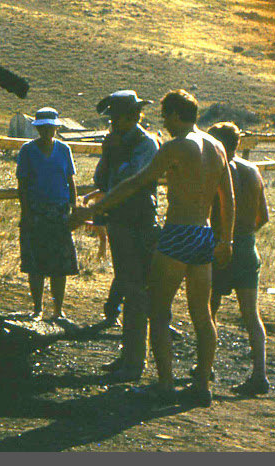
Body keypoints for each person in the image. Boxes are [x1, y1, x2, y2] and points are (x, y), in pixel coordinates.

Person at [72, 89, 234, 406]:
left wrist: (93, 211)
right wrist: (226, 239)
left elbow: (137, 182)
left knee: (158, 311)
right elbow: (227, 197)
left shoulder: (175, 146)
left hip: (177, 232)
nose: (164, 122)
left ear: (174, 115)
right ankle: (201, 384)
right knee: (202, 314)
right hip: (203, 233)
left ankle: (165, 384)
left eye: (165, 116)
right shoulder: (217, 147)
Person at [86, 90, 160, 383]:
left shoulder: (145, 144)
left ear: (132, 116)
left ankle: (134, 361)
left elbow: (132, 181)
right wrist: (108, 153)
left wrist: (114, 153)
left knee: (137, 291)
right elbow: (102, 180)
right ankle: (129, 357)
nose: (112, 122)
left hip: (139, 222)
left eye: (116, 117)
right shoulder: (117, 142)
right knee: (131, 289)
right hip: (120, 221)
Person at [207, 122, 271, 395]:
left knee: (208, 307)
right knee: (251, 314)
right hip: (247, 246)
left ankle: (205, 366)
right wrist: (244, 236)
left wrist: (224, 238)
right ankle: (260, 374)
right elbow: (264, 217)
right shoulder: (253, 171)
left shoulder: (217, 171)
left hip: (219, 244)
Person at [16, 107, 79, 321]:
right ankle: (37, 308)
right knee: (36, 262)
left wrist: (74, 209)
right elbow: (22, 185)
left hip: (60, 211)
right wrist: (26, 214)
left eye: (50, 127)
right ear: (37, 128)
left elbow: (70, 181)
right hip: (35, 211)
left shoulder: (64, 149)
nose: (47, 131)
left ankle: (58, 310)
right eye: (42, 127)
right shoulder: (27, 150)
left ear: (56, 127)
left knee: (60, 264)